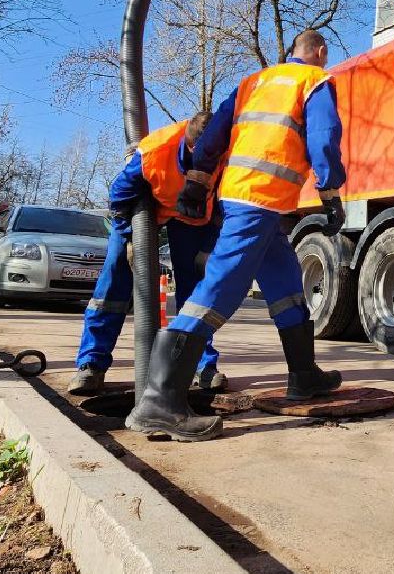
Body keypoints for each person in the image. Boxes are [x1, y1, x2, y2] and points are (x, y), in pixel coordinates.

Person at [125, 28, 348, 441]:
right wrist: (331, 191)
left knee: (285, 283)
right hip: (261, 201)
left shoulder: (253, 81)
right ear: (319, 52)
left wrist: (197, 177)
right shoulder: (315, 80)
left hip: (242, 196)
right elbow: (324, 137)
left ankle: (305, 374)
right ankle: (160, 400)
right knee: (223, 286)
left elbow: (214, 133)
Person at [68, 112, 223, 396]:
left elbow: (223, 204)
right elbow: (119, 195)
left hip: (192, 219)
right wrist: (129, 237)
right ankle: (91, 364)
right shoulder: (156, 150)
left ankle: (202, 365)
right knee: (115, 278)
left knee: (196, 291)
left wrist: (207, 247)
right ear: (190, 146)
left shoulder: (224, 153)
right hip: (143, 210)